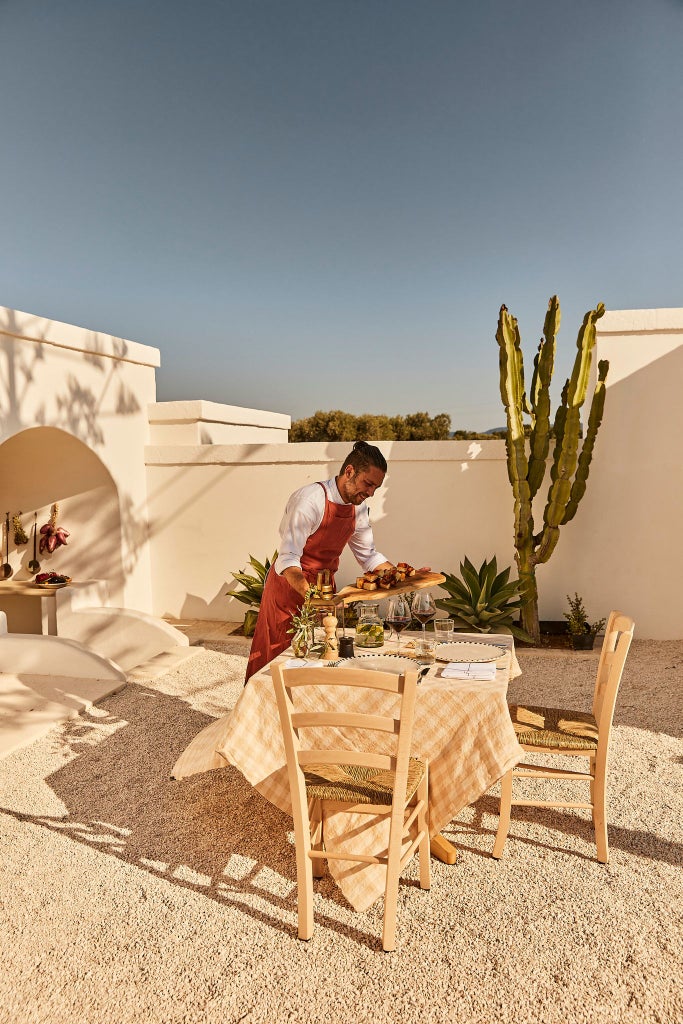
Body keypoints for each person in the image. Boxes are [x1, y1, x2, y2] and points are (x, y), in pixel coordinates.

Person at [245, 441, 395, 682]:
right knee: (279, 662)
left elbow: (369, 557)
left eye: (376, 488)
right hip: (288, 589)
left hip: (325, 591)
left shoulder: (358, 509)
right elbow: (288, 560)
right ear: (349, 472)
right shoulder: (309, 500)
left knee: (323, 660)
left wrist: (408, 575)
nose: (370, 493)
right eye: (368, 484)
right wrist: (313, 598)